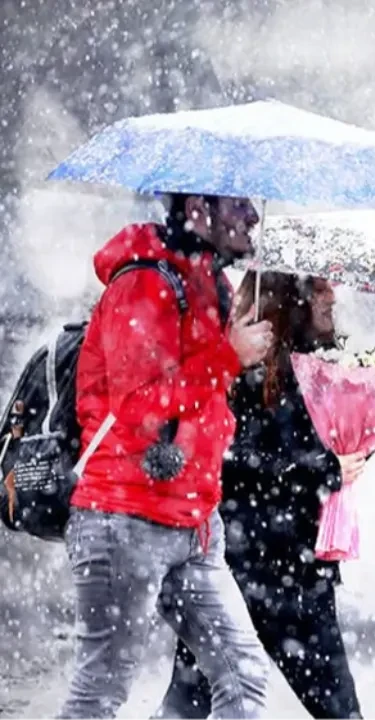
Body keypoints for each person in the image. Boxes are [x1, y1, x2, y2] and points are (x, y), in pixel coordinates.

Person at [59, 194, 275, 719]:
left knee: (244, 677)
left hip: (195, 522)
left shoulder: (212, 283)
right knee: (99, 694)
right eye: (238, 204)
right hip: (124, 517)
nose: (253, 216)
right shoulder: (145, 282)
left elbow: (206, 399)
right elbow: (137, 406)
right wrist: (229, 356)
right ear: (198, 206)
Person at [156, 271, 367, 720]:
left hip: (285, 570)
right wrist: (323, 470)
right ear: (292, 300)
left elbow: (311, 457)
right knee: (188, 705)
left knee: (190, 705)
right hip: (254, 569)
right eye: (320, 286)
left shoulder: (324, 370)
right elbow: (234, 463)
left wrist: (355, 449)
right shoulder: (244, 372)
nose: (332, 295)